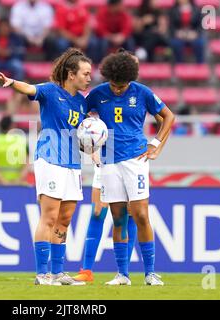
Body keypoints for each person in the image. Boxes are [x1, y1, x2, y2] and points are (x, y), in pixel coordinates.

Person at [0, 48, 92, 286]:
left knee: (65, 218)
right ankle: (42, 274)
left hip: (72, 163)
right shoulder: (50, 91)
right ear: (71, 74)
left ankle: (58, 273)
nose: (89, 78)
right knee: (49, 216)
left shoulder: (81, 102)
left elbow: (81, 134)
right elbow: (30, 89)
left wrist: (91, 146)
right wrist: (11, 82)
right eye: (86, 73)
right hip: (50, 159)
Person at [85, 49, 175, 285]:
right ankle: (122, 274)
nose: (117, 89)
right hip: (108, 162)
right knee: (118, 218)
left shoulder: (142, 92)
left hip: (136, 160)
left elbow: (169, 117)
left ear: (130, 79)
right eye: (114, 85)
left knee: (141, 215)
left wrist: (156, 144)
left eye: (122, 85)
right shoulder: (97, 94)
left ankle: (150, 273)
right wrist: (87, 143)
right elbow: (79, 118)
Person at [73, 165, 138, 282]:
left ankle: (123, 272)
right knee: (97, 213)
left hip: (127, 162)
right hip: (105, 163)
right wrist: (93, 151)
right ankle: (86, 271)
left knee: (128, 213)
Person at [0, 115, 30, 185]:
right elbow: (27, 164)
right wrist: (18, 180)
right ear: (12, 125)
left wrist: (4, 181)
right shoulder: (22, 141)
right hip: (19, 184)